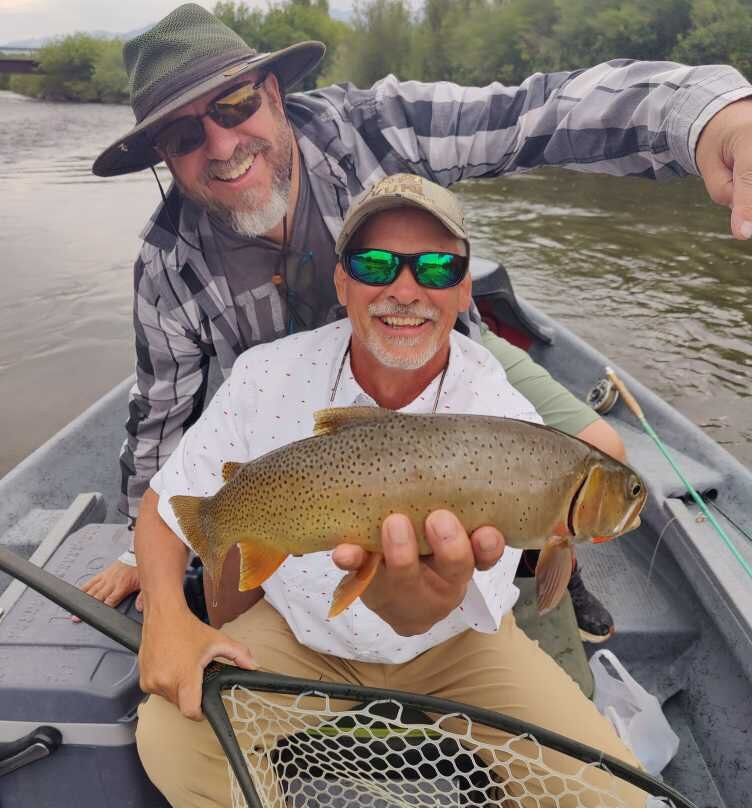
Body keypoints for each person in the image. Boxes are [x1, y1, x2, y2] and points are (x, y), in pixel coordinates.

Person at [85, 2, 752, 640]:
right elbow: (161, 414)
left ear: (274, 93)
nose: (223, 143)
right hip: (294, 406)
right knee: (241, 590)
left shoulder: (375, 130)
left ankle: (548, 560)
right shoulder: (168, 261)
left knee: (600, 452)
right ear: (162, 156)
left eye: (236, 106)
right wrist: (145, 555)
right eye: (185, 133)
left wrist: (708, 120)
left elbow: (533, 115)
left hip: (445, 361)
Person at [135, 175, 647, 807]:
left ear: (462, 291)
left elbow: (451, 605)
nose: (405, 289)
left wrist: (420, 607)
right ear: (343, 282)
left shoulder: (504, 413)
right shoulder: (264, 376)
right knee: (170, 740)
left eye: (436, 267)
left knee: (611, 796)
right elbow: (169, 501)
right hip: (300, 635)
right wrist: (166, 612)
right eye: (376, 263)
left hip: (456, 646)